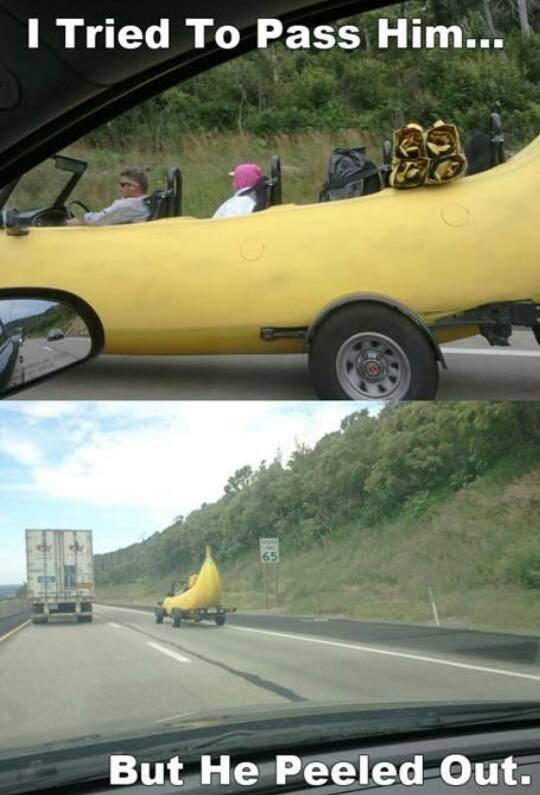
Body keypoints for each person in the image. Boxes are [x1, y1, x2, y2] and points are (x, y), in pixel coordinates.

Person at [66, 167, 150, 226]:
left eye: (122, 185)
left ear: (133, 187)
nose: (119, 189)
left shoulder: (128, 205)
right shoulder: (147, 203)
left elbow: (96, 220)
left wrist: (66, 223)